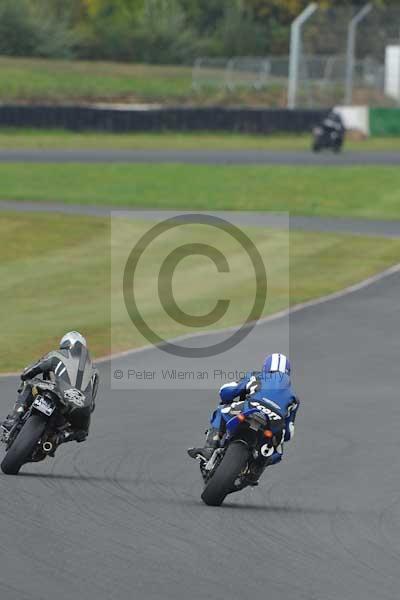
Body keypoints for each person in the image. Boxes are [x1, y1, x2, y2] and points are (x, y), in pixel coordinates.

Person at [188, 353, 300, 470]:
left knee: (221, 410)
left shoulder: (256, 376)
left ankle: (209, 449)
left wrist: (227, 399)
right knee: (277, 451)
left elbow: (227, 391)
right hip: (274, 422)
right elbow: (288, 432)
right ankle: (255, 468)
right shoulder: (294, 398)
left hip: (252, 408)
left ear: (265, 367)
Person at [1, 331, 99, 444]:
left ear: (65, 344)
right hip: (81, 408)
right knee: (81, 432)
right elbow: (92, 401)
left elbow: (28, 372)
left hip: (61, 394)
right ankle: (59, 437)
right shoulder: (94, 370)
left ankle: (13, 419)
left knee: (28, 383)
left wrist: (26, 374)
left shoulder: (57, 354)